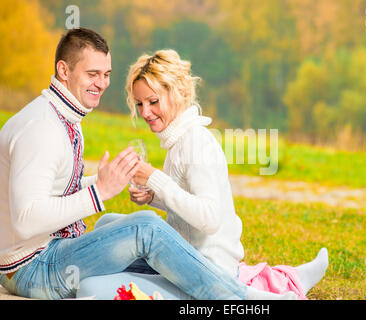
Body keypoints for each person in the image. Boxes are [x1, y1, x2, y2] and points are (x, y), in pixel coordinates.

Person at [0, 28, 296, 300]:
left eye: (106, 74)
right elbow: (26, 220)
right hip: (32, 268)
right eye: (92, 74)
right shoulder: (43, 129)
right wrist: (99, 192)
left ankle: (233, 287)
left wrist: (103, 182)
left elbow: (49, 191)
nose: (102, 84)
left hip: (41, 257)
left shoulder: (61, 118)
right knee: (147, 228)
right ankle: (244, 299)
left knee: (118, 225)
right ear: (63, 70)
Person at [119, 49, 329, 299]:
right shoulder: (178, 141)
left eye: (153, 102)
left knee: (127, 251)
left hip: (207, 265)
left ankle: (263, 294)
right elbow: (185, 204)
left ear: (179, 93)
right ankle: (284, 281)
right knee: (113, 227)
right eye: (140, 103)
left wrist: (155, 178)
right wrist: (152, 196)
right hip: (184, 255)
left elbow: (209, 217)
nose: (144, 112)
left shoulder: (196, 143)